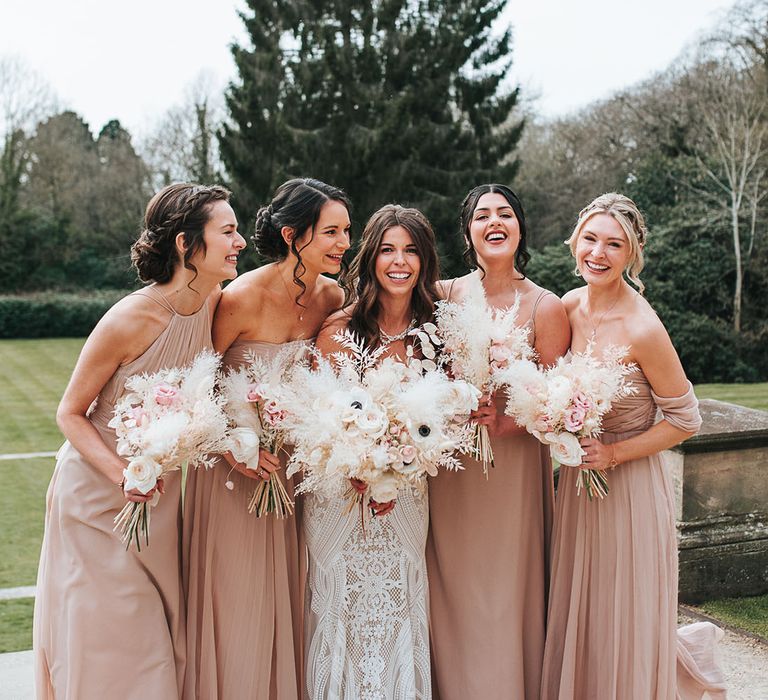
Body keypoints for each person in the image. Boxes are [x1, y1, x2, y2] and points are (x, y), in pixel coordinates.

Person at [33, 183, 245, 699]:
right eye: (229, 231)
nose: (240, 242)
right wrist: (123, 475)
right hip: (96, 500)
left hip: (162, 502)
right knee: (114, 635)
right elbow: (70, 413)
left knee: (156, 630)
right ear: (186, 244)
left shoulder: (217, 304)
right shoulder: (131, 317)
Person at [540, 192, 726, 699]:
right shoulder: (567, 306)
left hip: (629, 487)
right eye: (590, 240)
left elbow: (687, 419)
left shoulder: (643, 328)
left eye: (613, 244)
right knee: (587, 602)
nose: (597, 253)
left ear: (632, 253)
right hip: (579, 485)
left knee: (625, 607)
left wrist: (615, 454)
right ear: (575, 242)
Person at [182, 178, 351, 699]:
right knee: (234, 597)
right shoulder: (237, 299)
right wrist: (236, 447)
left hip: (289, 475)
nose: (345, 242)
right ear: (292, 234)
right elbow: (196, 385)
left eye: (347, 230)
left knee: (287, 594)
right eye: (332, 232)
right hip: (231, 472)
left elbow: (330, 382)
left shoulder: (331, 296)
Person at [426, 184, 571, 700]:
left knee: (509, 590)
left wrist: (509, 421)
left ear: (519, 227)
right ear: (468, 230)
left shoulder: (546, 306)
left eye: (504, 214)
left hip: (513, 471)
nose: (494, 222)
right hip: (453, 471)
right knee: (454, 588)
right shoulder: (441, 295)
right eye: (482, 215)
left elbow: (558, 404)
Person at [304, 204, 440, 699]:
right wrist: (361, 464)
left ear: (425, 260)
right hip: (342, 497)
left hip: (407, 496)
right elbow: (323, 422)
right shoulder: (339, 331)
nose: (398, 261)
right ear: (371, 258)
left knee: (398, 603)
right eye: (387, 249)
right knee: (341, 606)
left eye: (410, 250)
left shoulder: (437, 337)